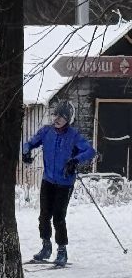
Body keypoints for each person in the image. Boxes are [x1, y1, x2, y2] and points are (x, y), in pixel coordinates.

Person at [22, 99, 96, 267]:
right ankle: (46, 247)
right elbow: (29, 143)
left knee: (58, 217)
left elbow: (90, 151)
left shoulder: (74, 135)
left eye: (61, 116)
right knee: (44, 216)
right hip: (48, 180)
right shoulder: (46, 131)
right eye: (55, 115)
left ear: (68, 119)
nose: (56, 119)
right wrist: (26, 151)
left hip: (65, 183)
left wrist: (75, 161)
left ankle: (62, 250)